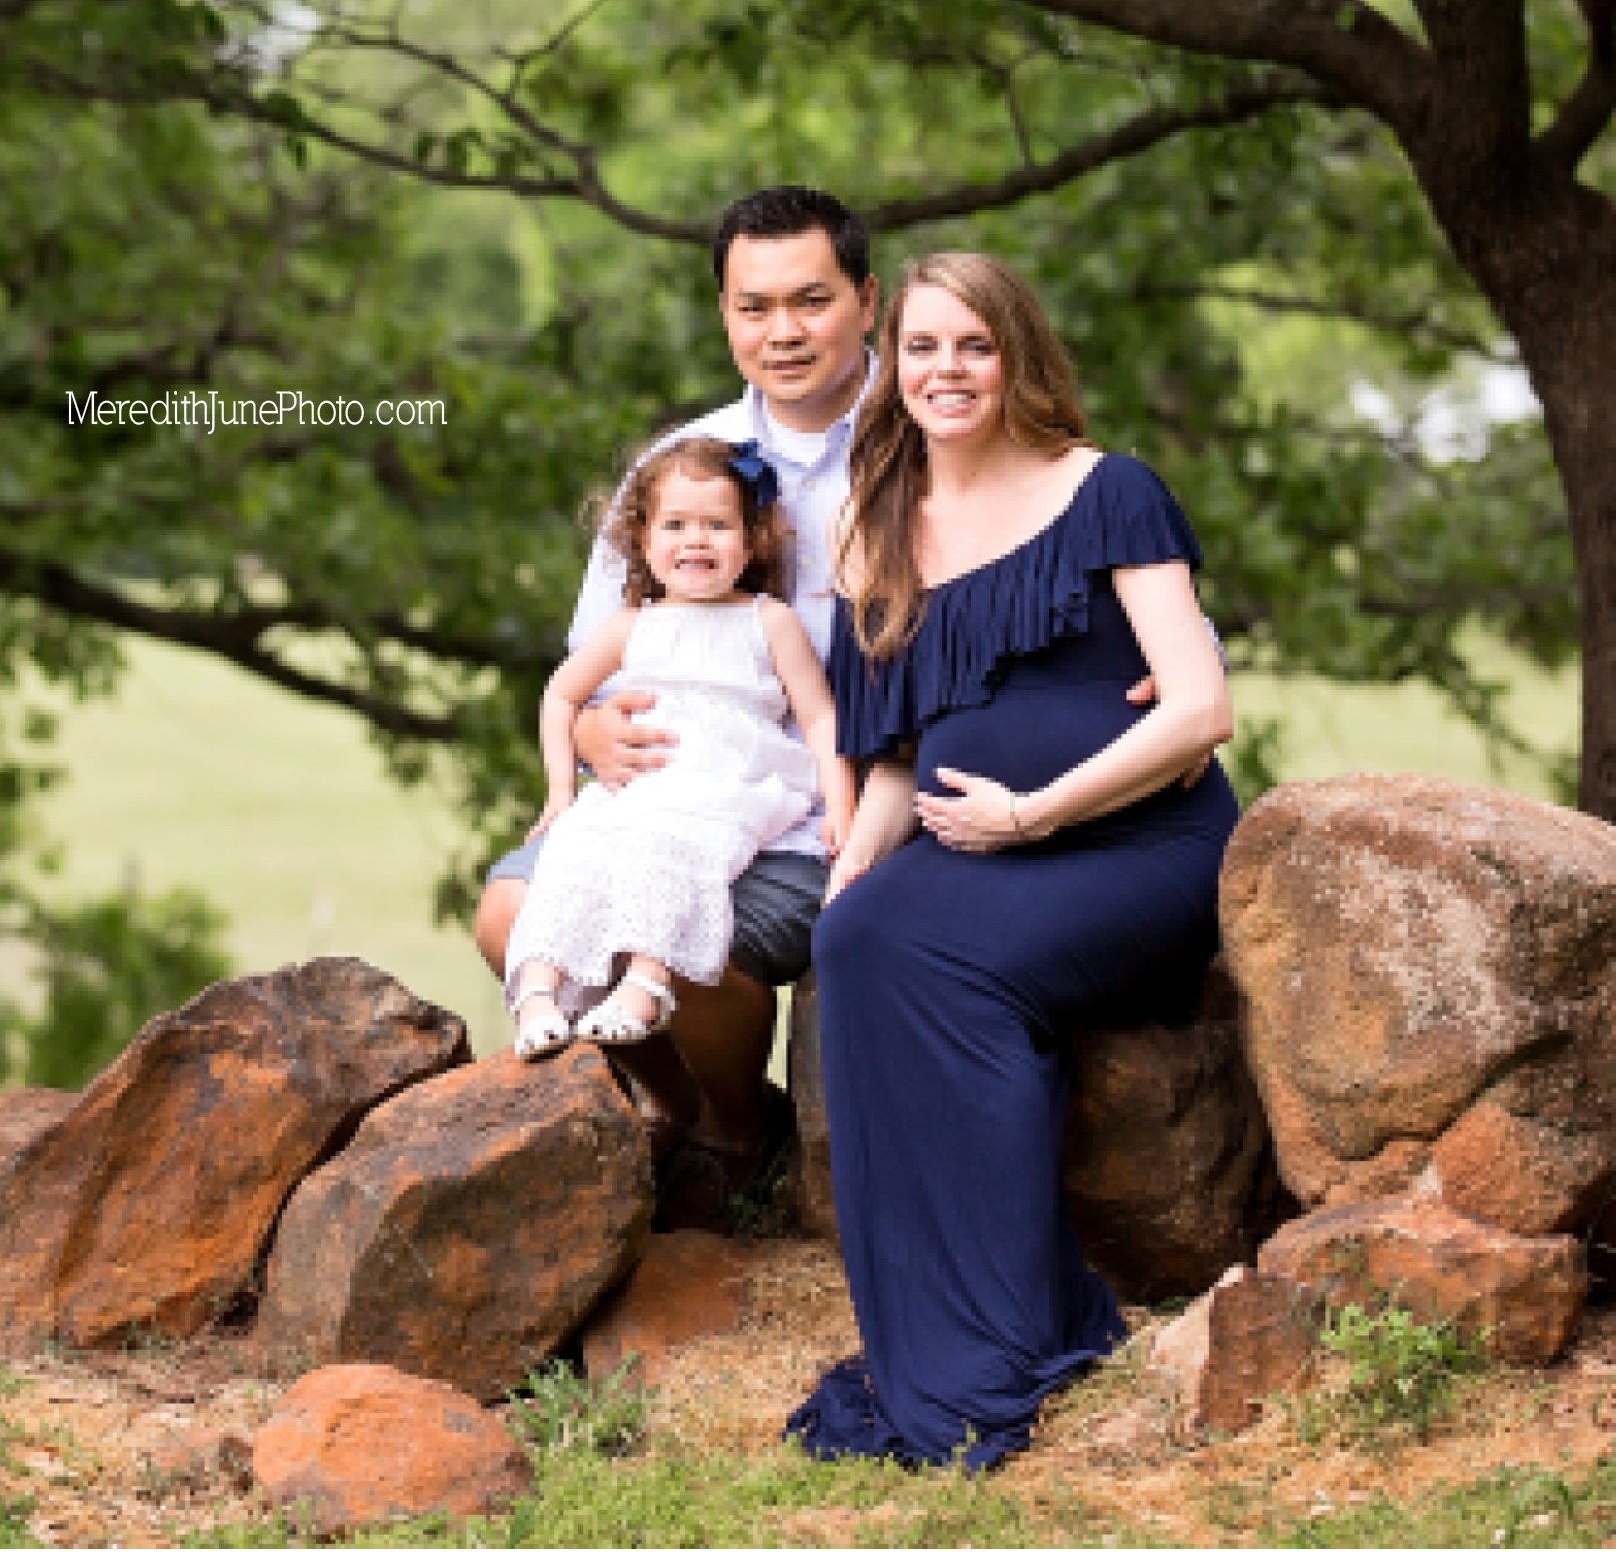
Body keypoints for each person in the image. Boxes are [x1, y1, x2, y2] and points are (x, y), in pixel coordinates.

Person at [787, 250, 1239, 1471]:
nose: (946, 370)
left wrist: (1033, 813)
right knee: (857, 937)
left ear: (1015, 357)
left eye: (973, 346)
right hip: (981, 847)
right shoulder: (873, 528)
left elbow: (1198, 707)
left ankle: (1012, 1329)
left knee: (943, 964)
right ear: (892, 366)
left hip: (1138, 842)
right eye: (922, 347)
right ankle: (942, 1327)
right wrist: (850, 872)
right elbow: (892, 763)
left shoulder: (1108, 490)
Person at [474, 185, 878, 1202]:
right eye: (754, 306)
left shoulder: (927, 445)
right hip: (656, 789)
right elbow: (596, 662)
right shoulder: (675, 467)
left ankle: (739, 1132)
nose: (782, 331)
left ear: (867, 300)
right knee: (509, 912)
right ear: (724, 314)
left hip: (805, 808)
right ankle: (683, 1110)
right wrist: (589, 734)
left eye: (811, 299)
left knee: (690, 941)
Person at [508, 437, 857, 1056]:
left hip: (727, 785)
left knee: (674, 847)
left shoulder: (768, 621)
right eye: (675, 525)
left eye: (717, 525)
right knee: (574, 848)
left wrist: (842, 807)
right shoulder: (631, 625)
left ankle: (646, 983)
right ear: (642, 540)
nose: (696, 540)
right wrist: (561, 791)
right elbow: (561, 694)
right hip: (645, 782)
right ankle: (538, 993)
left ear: (751, 540)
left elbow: (819, 715)